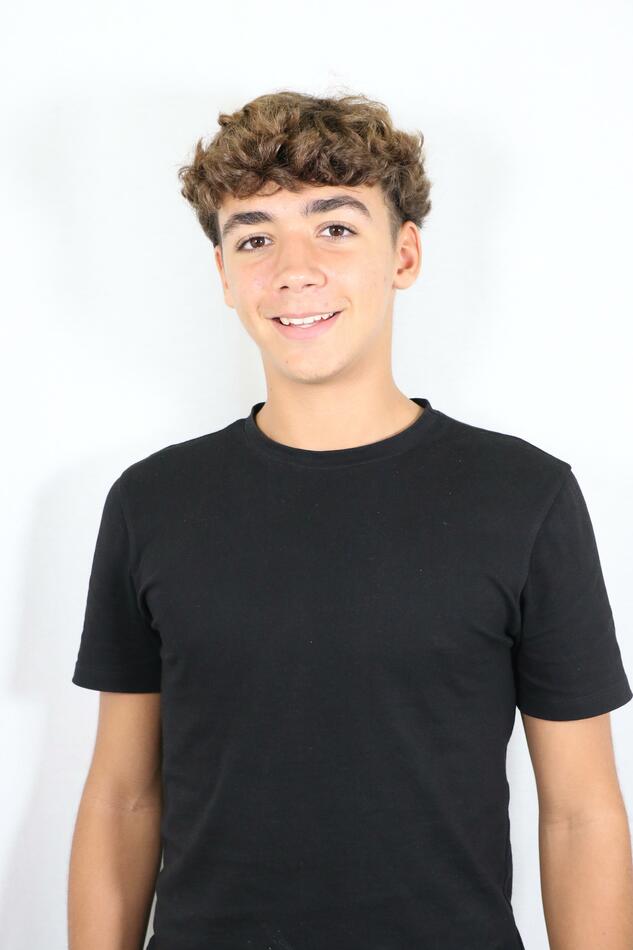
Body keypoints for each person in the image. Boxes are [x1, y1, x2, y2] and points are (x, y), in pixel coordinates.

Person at [68, 90, 633, 950]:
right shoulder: (151, 502)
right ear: (223, 274)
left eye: (334, 227)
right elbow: (122, 797)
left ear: (403, 254)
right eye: (254, 238)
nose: (293, 269)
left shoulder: (524, 496)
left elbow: (580, 812)